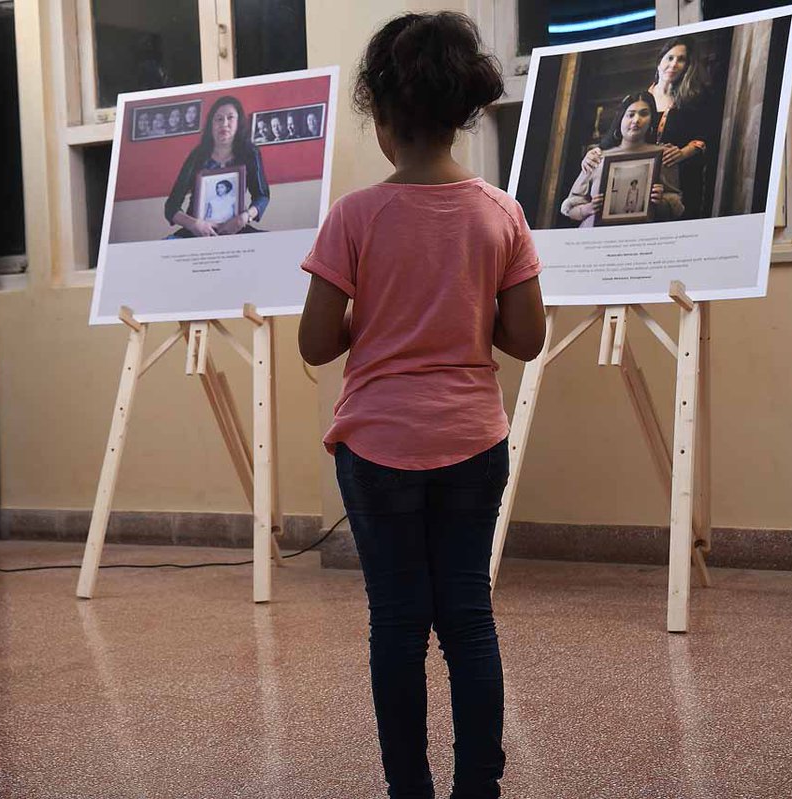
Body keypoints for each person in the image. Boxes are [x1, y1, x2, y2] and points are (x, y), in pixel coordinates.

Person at [297, 12, 545, 799]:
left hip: (376, 448)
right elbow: (527, 338)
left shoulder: (354, 217)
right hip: (474, 439)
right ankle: (480, 786)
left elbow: (314, 342)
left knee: (397, 627)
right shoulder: (498, 212)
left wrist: (374, 315)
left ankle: (410, 788)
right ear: (461, 116)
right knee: (469, 620)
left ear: (381, 118)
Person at [581, 37, 710, 218]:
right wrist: (593, 153)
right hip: (640, 176)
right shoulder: (636, 101)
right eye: (670, 58)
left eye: (681, 60)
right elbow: (612, 137)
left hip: (677, 178)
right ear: (659, 62)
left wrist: (682, 153)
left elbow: (704, 137)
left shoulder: (690, 100)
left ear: (687, 67)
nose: (674, 64)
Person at [561, 92, 683, 227]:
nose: (636, 120)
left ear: (652, 119)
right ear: (620, 119)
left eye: (643, 114)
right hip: (594, 238)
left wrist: (661, 203)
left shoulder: (664, 155)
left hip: (643, 240)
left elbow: (677, 207)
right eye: (631, 114)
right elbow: (570, 206)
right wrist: (588, 208)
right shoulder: (597, 157)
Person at [163, 95, 270, 237]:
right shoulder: (197, 156)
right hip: (196, 231)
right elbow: (171, 207)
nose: (224, 124)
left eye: (230, 118)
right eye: (219, 119)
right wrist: (194, 224)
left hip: (237, 228)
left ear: (239, 123)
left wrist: (244, 218)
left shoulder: (250, 153)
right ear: (211, 125)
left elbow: (262, 196)